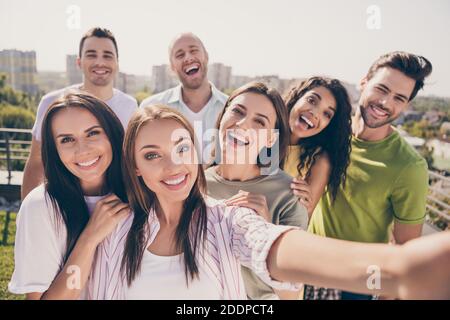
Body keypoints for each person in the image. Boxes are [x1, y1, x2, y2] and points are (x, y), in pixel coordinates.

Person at [89, 105, 450, 300]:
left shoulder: (226, 221)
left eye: (182, 148)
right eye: (152, 156)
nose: (173, 165)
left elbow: (273, 245)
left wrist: (400, 267)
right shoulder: (116, 227)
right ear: (135, 168)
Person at [305, 51, 433, 300]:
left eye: (399, 98)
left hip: (353, 286)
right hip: (303, 264)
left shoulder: (409, 167)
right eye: (382, 89)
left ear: (406, 105)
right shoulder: (329, 131)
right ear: (364, 82)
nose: (386, 103)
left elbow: (405, 254)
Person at [8, 93, 130, 299]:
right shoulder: (40, 206)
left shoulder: (141, 195)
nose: (82, 150)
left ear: (112, 134)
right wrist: (89, 238)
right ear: (55, 151)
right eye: (66, 139)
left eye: (92, 133)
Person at [205, 82, 308, 299]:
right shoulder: (194, 183)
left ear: (271, 138)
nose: (242, 125)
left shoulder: (288, 195)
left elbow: (293, 296)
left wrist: (267, 231)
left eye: (259, 122)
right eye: (237, 111)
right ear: (223, 116)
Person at [22, 27, 138, 199]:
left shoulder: (130, 105)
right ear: (79, 62)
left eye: (107, 55)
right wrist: (26, 214)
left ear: (117, 63)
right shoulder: (52, 102)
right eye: (91, 54)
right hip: (64, 200)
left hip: (114, 202)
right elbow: (37, 161)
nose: (100, 62)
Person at [139, 32, 228, 161]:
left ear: (206, 56)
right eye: (180, 55)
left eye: (194, 50)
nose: (188, 58)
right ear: (172, 67)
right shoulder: (150, 108)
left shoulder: (231, 109)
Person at [283, 77, 352, 218]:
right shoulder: (266, 131)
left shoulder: (319, 160)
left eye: (327, 114)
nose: (315, 113)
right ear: (297, 97)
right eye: (312, 100)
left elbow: (302, 220)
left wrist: (301, 205)